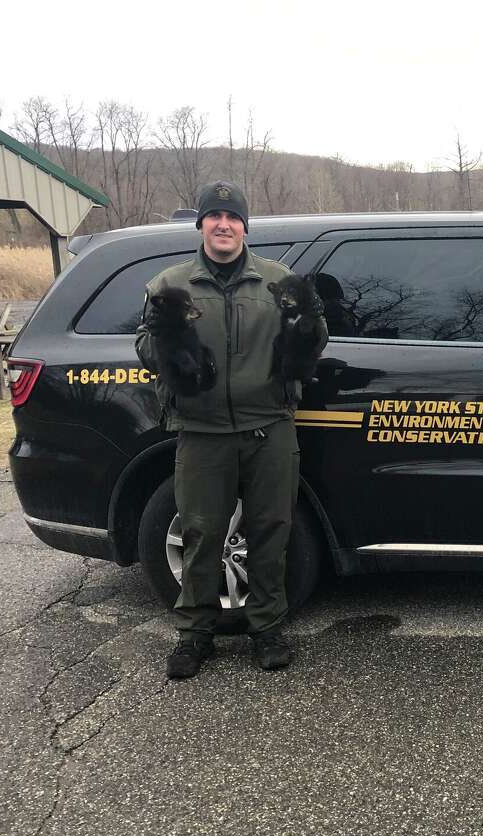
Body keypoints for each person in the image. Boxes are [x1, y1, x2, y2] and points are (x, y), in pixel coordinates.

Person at [135, 180, 328, 679]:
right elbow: (144, 349)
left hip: (269, 427)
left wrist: (310, 322)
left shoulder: (276, 281)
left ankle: (266, 629)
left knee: (271, 530)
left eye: (233, 217)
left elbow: (308, 349)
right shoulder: (170, 285)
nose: (224, 224)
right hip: (202, 432)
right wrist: (167, 335)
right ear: (201, 224)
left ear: (245, 225)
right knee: (202, 533)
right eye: (215, 216)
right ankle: (195, 634)